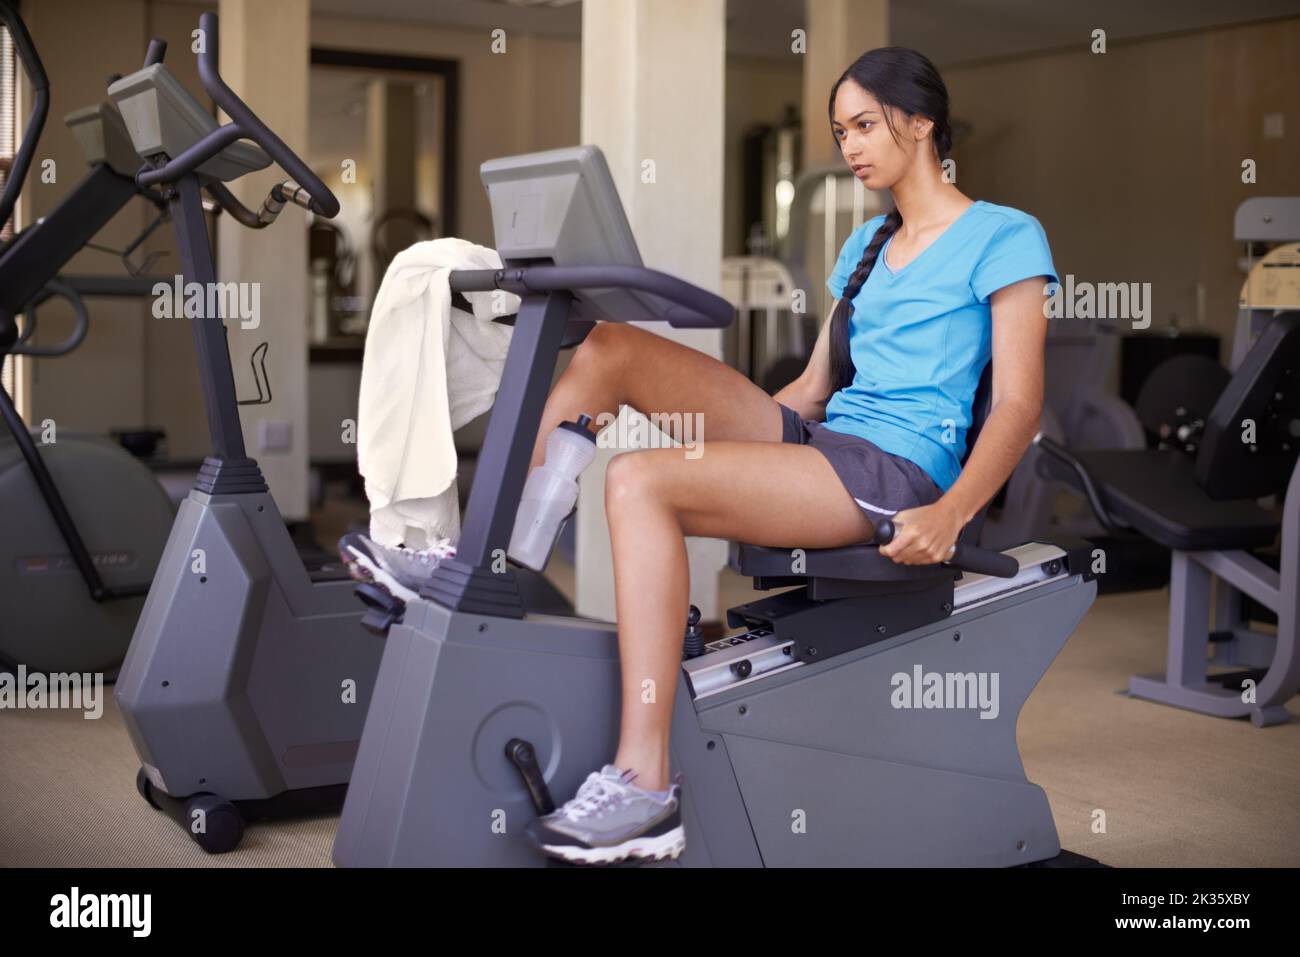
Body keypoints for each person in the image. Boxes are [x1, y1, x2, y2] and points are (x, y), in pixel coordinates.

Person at [343, 45, 1058, 865]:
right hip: (830, 442)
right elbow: (814, 388)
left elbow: (1018, 403)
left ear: (922, 122)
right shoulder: (865, 244)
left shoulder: (1003, 235)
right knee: (610, 348)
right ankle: (477, 564)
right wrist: (730, 448)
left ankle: (646, 785)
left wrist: (950, 511)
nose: (851, 146)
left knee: (641, 481)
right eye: (840, 131)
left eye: (865, 125)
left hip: (896, 474)